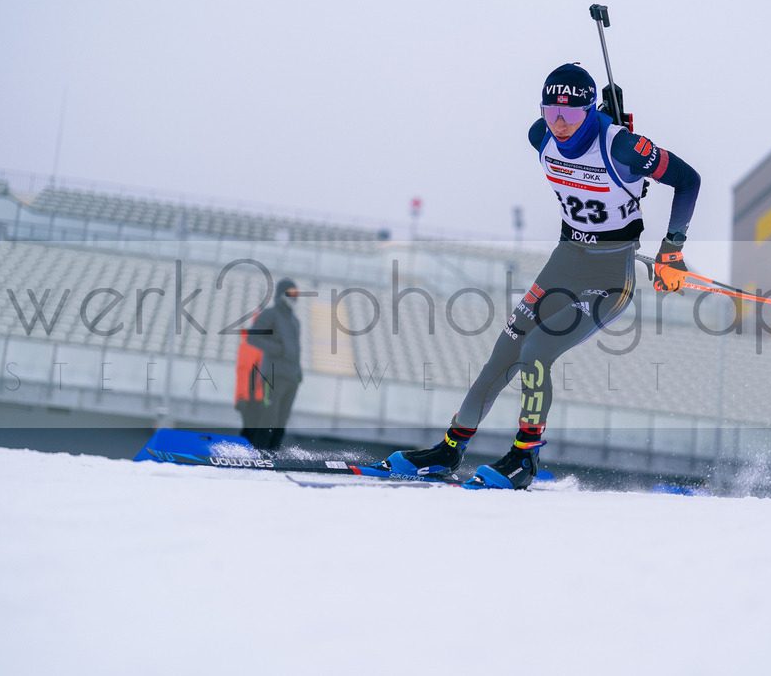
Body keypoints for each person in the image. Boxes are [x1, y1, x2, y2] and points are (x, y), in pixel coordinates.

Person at [376, 62, 700, 489]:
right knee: (505, 350)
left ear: (590, 112)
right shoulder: (539, 136)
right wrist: (598, 122)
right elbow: (564, 131)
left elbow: (688, 180)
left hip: (610, 272)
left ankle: (524, 458)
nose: (559, 124)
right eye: (551, 112)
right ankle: (449, 451)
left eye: (571, 114)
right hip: (566, 258)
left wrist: (671, 249)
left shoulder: (621, 146)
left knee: (538, 349)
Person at [245, 277, 303, 451]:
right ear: (281, 293)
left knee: (282, 419)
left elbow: (296, 349)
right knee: (269, 416)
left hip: (291, 377)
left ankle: (272, 454)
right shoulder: (271, 314)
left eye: (297, 293)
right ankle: (259, 452)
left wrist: (299, 372)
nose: (295, 297)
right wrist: (276, 349)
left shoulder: (295, 320)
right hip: (274, 374)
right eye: (291, 293)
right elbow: (252, 336)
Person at [234, 323, 265, 443]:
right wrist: (242, 396)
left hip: (256, 396)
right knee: (251, 430)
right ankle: (244, 457)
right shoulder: (251, 344)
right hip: (252, 397)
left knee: (253, 430)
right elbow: (244, 371)